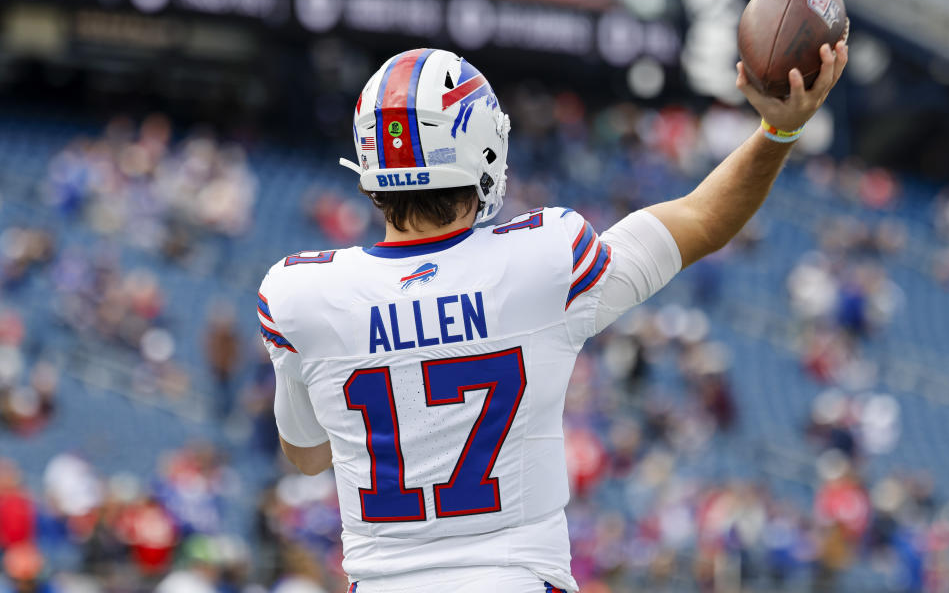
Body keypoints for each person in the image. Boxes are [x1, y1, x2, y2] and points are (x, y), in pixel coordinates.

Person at [259, 43, 848, 592]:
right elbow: (700, 222)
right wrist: (780, 129)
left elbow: (308, 454)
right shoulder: (543, 259)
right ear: (482, 146)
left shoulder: (301, 294)